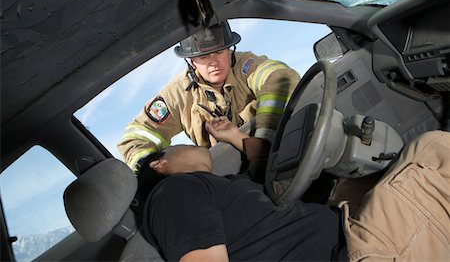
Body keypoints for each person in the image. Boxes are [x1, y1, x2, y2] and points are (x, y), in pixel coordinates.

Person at [140, 119, 450, 261]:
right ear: (159, 165)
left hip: (345, 226)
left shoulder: (223, 187)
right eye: (173, 146)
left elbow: (264, 168)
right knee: (432, 148)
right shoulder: (172, 193)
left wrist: (235, 136)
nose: (186, 143)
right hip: (357, 251)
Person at [117, 21, 300, 173]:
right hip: (224, 174)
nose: (214, 62)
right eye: (203, 56)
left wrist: (263, 143)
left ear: (230, 50)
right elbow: (137, 136)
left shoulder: (246, 65)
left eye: (220, 52)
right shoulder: (178, 93)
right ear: (191, 61)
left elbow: (281, 77)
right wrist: (157, 174)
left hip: (279, 153)